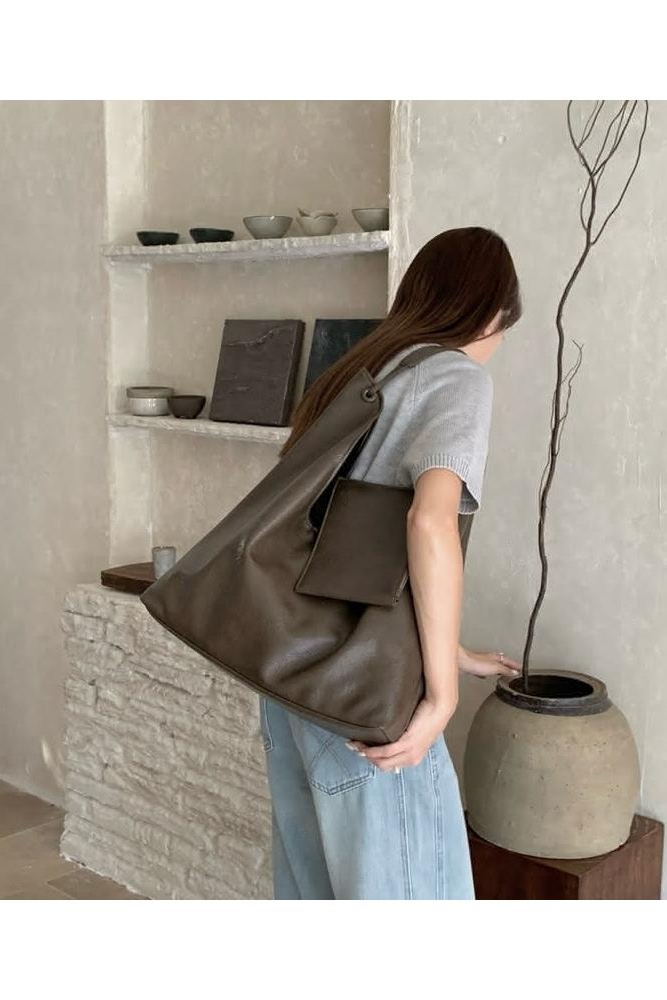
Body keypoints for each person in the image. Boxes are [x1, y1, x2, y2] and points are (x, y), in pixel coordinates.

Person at [260, 226, 524, 899]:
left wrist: (451, 649)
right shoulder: (455, 377)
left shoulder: (361, 371)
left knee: (314, 893)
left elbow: (346, 542)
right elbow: (427, 521)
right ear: (492, 314)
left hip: (297, 676)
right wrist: (443, 694)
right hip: (370, 695)